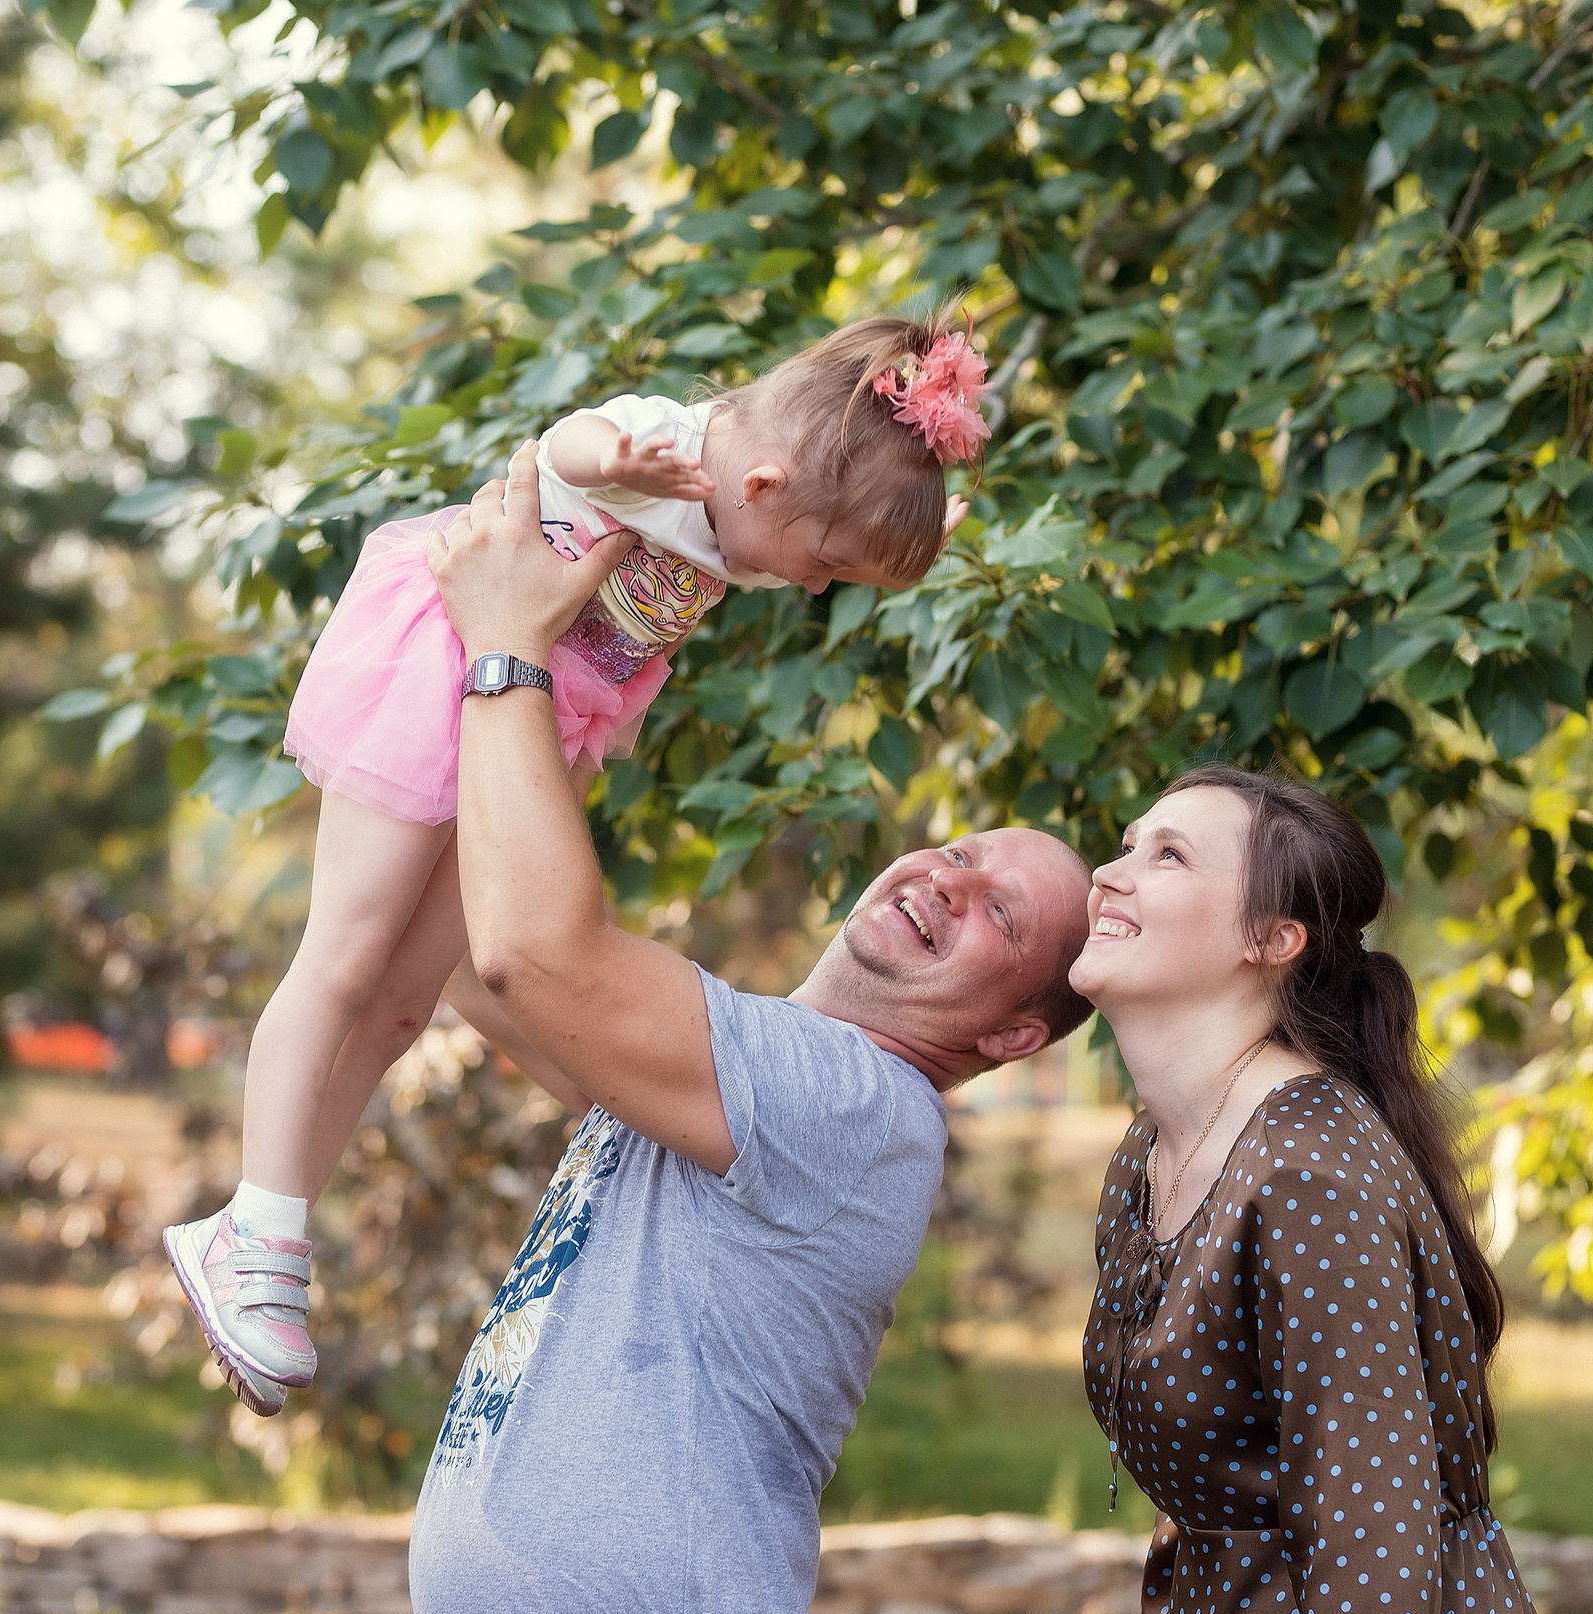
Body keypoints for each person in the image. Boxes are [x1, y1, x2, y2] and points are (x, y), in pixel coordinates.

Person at [167, 315, 990, 1416]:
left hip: (528, 710)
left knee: (407, 997)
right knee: (346, 955)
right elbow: (563, 446)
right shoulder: (674, 444)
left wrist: (903, 520)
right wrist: (619, 461)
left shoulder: (758, 509)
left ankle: (262, 1223)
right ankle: (261, 1231)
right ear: (761, 484)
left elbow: (837, 493)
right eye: (827, 564)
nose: (811, 588)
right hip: (442, 662)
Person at [393, 442, 1093, 1614]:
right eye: (961, 850)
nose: (951, 880)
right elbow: (462, 957)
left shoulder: (852, 1104)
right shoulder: (730, 1075)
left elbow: (531, 953)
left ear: (1009, 1039)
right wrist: (537, 690)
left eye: (1002, 913)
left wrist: (506, 650)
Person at [1074, 766, 1571, 1614]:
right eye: (1128, 843)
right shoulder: (1151, 1151)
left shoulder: (1308, 1174)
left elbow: (1369, 1556)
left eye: (1169, 855)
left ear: (1271, 938)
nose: (1110, 872)